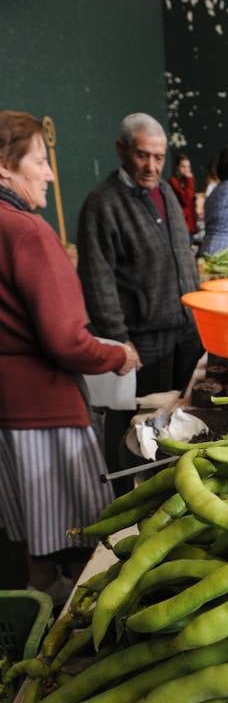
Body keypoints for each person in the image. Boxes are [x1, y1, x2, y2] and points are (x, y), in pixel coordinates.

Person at [0, 110, 138, 591]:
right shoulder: (28, 231)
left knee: (32, 544)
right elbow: (64, 340)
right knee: (84, 540)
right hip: (46, 412)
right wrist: (117, 356)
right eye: (39, 160)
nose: (51, 173)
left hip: (9, 409)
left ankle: (38, 612)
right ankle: (74, 629)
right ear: (4, 167)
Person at [77, 113, 203, 482]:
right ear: (122, 150)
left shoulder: (163, 190)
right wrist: (119, 340)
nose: (151, 166)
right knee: (136, 429)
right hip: (143, 339)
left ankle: (173, 482)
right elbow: (97, 278)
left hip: (184, 328)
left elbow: (181, 253)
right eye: (142, 155)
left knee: (180, 418)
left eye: (159, 157)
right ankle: (126, 494)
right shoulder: (102, 203)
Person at [168, 153, 197, 239]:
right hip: (180, 225)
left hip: (190, 225)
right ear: (176, 168)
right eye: (183, 167)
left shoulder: (187, 181)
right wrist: (189, 180)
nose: (186, 170)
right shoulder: (173, 181)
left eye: (188, 167)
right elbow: (186, 199)